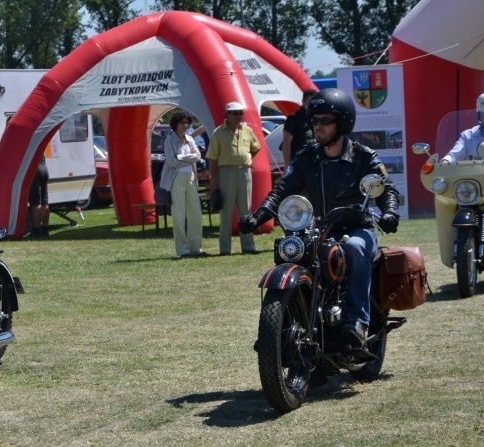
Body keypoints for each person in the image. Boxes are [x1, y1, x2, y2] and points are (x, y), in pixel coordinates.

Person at [238, 88, 401, 349]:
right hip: (316, 229)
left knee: (355, 248)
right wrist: (258, 217)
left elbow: (385, 188)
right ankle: (285, 327)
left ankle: (357, 322)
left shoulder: (363, 157)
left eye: (325, 120)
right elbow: (282, 190)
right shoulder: (307, 158)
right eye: (314, 120)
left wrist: (390, 212)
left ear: (342, 123)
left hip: (355, 227)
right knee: (293, 252)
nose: (318, 126)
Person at [205, 102, 261, 255]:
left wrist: (246, 158)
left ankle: (248, 246)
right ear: (227, 115)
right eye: (235, 113)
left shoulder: (247, 130)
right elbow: (212, 158)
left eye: (240, 113)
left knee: (246, 210)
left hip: (244, 172)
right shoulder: (218, 133)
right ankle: (225, 249)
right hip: (226, 172)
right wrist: (213, 179)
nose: (238, 116)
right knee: (226, 211)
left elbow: (256, 147)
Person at [159, 110, 204, 258]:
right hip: (176, 178)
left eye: (187, 123)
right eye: (182, 123)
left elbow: (198, 156)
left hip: (190, 177)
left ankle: (196, 248)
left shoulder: (190, 139)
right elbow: (171, 161)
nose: (185, 125)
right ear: (175, 124)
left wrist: (182, 157)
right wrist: (189, 158)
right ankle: (183, 250)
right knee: (179, 215)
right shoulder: (169, 140)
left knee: (195, 213)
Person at [440, 93, 484, 163]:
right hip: (473, 170)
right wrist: (445, 161)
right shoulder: (468, 136)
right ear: (479, 115)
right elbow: (453, 155)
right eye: (483, 115)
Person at [282, 88, 318, 168]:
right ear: (303, 101)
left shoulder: (316, 118)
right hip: (299, 162)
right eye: (310, 102)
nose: (312, 105)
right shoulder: (293, 118)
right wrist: (287, 165)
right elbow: (286, 143)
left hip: (315, 161)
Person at [28, 157, 50, 237]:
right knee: (44, 203)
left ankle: (37, 230)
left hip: (36, 169)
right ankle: (45, 229)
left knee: (36, 203)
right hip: (44, 168)